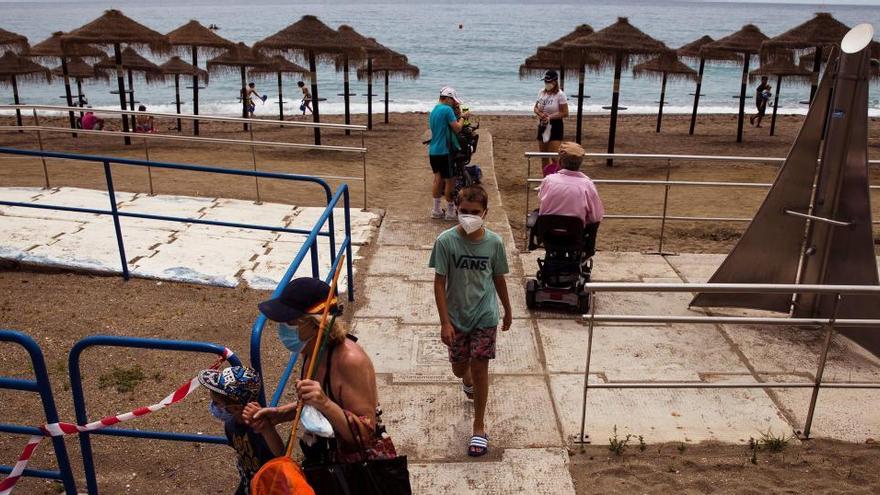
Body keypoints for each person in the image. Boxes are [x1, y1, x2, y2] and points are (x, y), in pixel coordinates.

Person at [243, 277, 398, 467]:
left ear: (316, 324)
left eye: (290, 322)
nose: (282, 328)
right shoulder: (310, 350)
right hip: (326, 462)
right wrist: (279, 415)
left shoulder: (350, 361)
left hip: (358, 473)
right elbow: (318, 401)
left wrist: (324, 403)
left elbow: (365, 435)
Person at [429, 185, 512, 458]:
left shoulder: (494, 243)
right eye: (464, 211)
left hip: (484, 315)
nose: (468, 217)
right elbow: (439, 282)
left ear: (485, 213)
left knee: (480, 368)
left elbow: (498, 277)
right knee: (459, 368)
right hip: (456, 317)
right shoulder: (445, 241)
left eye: (475, 212)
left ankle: (479, 427)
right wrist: (444, 322)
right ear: (457, 208)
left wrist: (508, 310)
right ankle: (465, 380)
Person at [198, 366, 283, 495]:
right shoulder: (230, 425)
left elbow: (280, 454)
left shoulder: (258, 428)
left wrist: (267, 428)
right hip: (248, 483)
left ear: (236, 408)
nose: (213, 406)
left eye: (216, 402)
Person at [538, 141, 604, 227]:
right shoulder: (587, 185)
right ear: (580, 163)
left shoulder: (548, 180)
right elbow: (596, 217)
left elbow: (541, 200)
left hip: (549, 235)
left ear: (560, 161)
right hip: (575, 235)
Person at [429, 86, 465, 220]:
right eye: (453, 100)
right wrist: (462, 117)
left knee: (437, 179)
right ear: (448, 98)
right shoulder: (447, 109)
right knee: (450, 181)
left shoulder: (434, 110)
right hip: (445, 151)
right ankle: (450, 212)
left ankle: (436, 210)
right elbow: (457, 128)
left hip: (433, 150)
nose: (454, 102)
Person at [534, 70, 569, 172]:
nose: (547, 84)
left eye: (549, 81)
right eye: (545, 81)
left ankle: (559, 179)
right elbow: (535, 108)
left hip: (555, 125)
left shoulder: (560, 95)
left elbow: (565, 112)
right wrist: (541, 114)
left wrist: (551, 117)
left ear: (555, 82)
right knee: (544, 157)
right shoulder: (541, 92)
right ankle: (546, 181)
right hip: (542, 124)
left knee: (554, 157)